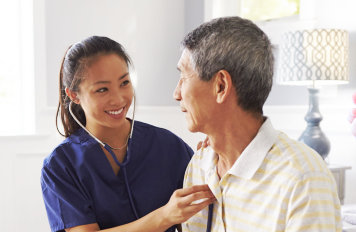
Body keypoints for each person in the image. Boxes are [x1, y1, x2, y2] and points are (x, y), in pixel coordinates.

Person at [173, 16, 341, 232]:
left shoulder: (304, 178)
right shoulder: (200, 165)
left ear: (221, 86)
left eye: (184, 77)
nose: (176, 94)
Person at [40, 36, 215, 232]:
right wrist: (164, 216)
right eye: (102, 89)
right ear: (74, 95)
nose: (118, 99)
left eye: (124, 83)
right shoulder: (61, 165)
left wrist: (211, 157)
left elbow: (206, 211)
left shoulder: (169, 146)